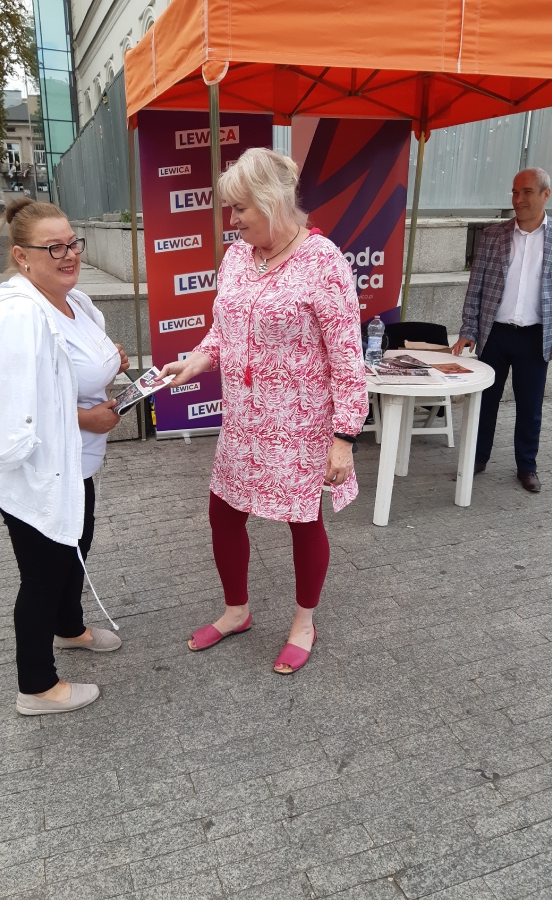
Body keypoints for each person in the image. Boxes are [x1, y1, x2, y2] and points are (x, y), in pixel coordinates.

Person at [157, 148, 368, 674]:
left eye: (239, 208)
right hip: (244, 422)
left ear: (273, 201)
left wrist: (344, 437)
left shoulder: (324, 262)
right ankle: (237, 611)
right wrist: (197, 360)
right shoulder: (237, 257)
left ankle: (304, 622)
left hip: (300, 423)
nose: (232, 220)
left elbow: (347, 357)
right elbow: (223, 331)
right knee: (223, 513)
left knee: (303, 521)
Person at [0, 198, 128, 715]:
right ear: (22, 256)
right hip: (37, 471)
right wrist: (86, 418)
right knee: (43, 572)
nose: (69, 255)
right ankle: (36, 686)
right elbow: (15, 408)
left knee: (76, 545)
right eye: (53, 248)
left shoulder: (73, 301)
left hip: (76, 463)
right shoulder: (17, 315)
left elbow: (69, 370)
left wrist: (111, 363)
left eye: (72, 242)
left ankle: (69, 627)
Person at [452, 168, 552, 492]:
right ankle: (476, 458)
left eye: (526, 192)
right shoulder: (493, 235)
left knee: (529, 406)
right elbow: (476, 285)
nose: (518, 199)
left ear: (545, 195)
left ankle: (527, 466)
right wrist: (469, 328)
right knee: (485, 400)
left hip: (536, 336)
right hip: (494, 333)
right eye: (514, 192)